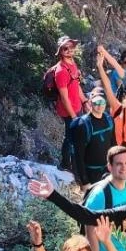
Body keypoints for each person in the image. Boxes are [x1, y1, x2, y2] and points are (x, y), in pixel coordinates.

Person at [82, 146, 126, 251]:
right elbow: (90, 232)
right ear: (110, 167)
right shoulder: (99, 195)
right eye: (119, 164)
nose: (124, 167)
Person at [53, 36, 88, 171]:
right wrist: (73, 116)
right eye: (65, 48)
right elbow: (64, 98)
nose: (69, 50)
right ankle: (65, 164)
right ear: (60, 51)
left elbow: (76, 84)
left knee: (75, 136)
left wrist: (84, 100)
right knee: (70, 137)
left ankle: (73, 162)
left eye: (71, 47)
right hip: (69, 110)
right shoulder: (61, 71)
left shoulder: (72, 64)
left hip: (77, 106)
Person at [70, 94, 115, 187]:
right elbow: (78, 155)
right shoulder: (82, 125)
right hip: (91, 174)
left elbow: (113, 144)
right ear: (90, 103)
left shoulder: (109, 119)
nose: (100, 105)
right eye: (96, 103)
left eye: (102, 102)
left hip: (108, 170)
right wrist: (84, 181)